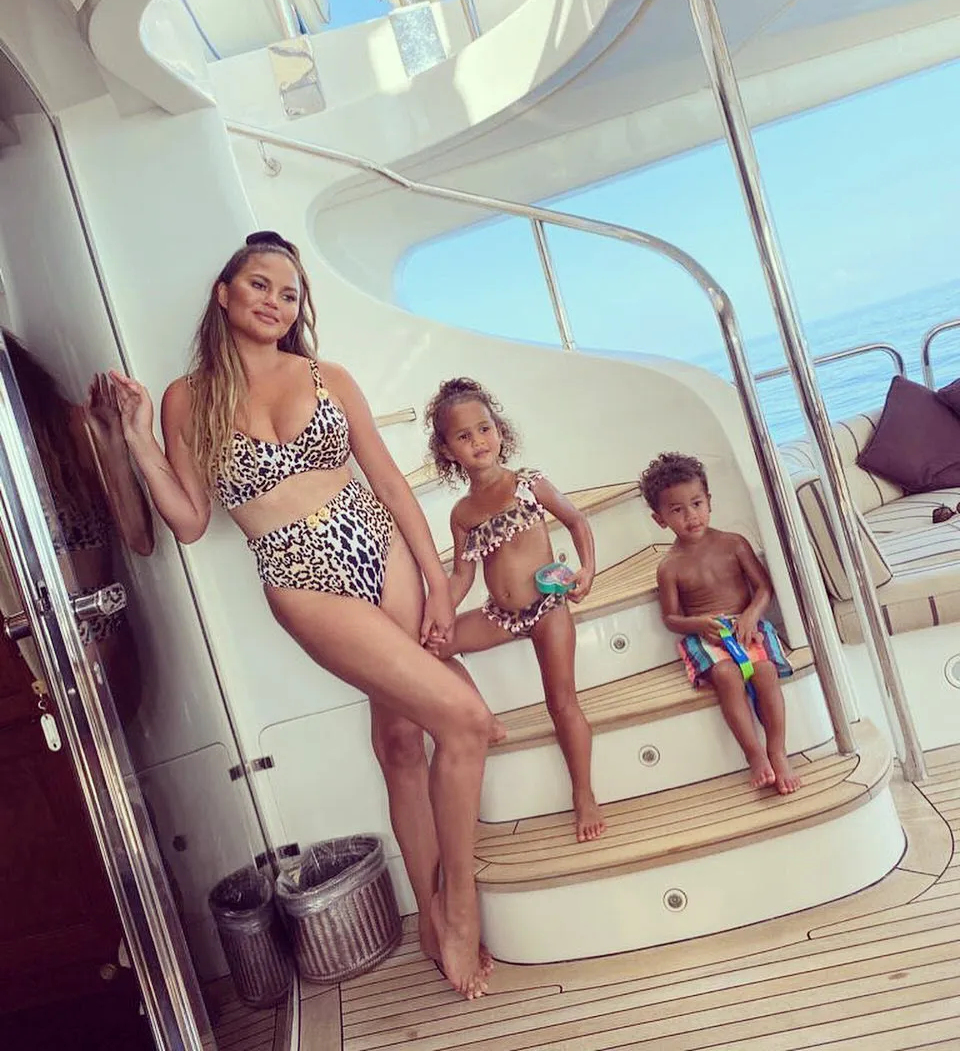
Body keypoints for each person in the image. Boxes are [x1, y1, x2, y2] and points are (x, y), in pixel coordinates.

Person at [109, 232, 495, 1000]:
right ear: (224, 293)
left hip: (378, 548)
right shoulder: (188, 398)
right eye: (259, 284)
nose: (275, 302)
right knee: (467, 721)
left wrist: (438, 585)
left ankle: (431, 913)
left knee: (401, 739)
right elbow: (189, 521)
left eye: (289, 294)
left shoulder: (327, 377)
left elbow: (389, 485)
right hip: (297, 575)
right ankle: (459, 909)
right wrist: (136, 437)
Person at [424, 377, 606, 843]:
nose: (478, 441)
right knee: (432, 650)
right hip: (500, 616)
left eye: (484, 429)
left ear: (499, 430)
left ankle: (583, 793)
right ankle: (482, 718)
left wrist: (587, 569)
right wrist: (436, 612)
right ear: (447, 450)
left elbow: (576, 520)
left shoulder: (528, 484)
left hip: (548, 608)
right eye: (463, 436)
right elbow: (462, 577)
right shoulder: (463, 513)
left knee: (561, 703)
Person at [5, 333, 155, 723]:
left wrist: (114, 445)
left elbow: (140, 538)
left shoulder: (70, 427)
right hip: (39, 653)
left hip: (103, 645)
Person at [639, 451, 801, 795]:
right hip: (707, 637)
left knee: (765, 672)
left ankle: (777, 750)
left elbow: (764, 588)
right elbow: (671, 618)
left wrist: (751, 615)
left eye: (697, 504)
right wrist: (699, 623)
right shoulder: (669, 567)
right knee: (727, 676)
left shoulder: (734, 544)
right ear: (660, 519)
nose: (691, 516)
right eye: (677, 510)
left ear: (709, 501)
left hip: (748, 626)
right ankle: (754, 754)